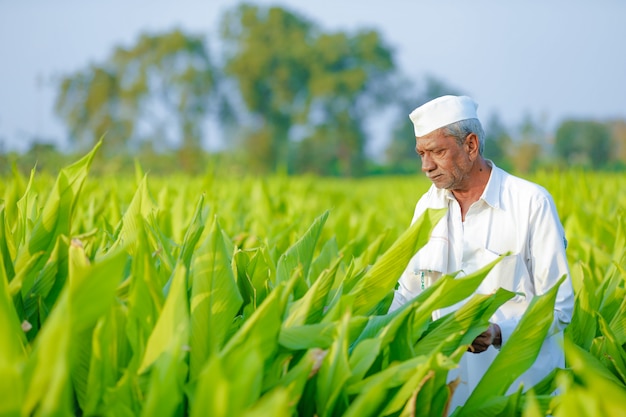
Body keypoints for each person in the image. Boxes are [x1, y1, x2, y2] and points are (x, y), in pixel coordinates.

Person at [388, 95, 574, 411]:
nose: (426, 166)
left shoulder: (531, 204)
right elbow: (408, 295)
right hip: (451, 398)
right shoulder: (427, 207)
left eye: (437, 152)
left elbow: (558, 307)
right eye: (421, 153)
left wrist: (498, 333)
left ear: (471, 145)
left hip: (522, 396)